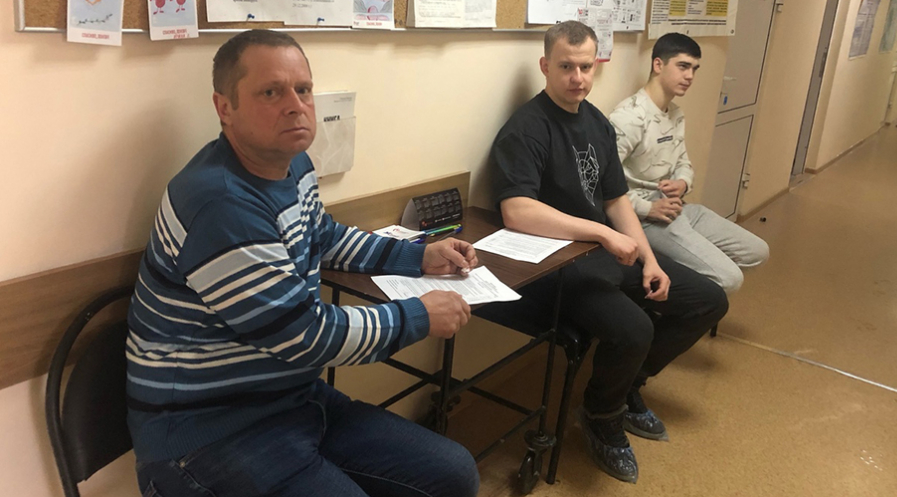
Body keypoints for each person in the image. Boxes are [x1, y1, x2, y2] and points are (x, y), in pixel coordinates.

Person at [126, 29, 480, 497]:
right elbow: (304, 335)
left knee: (453, 473)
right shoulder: (220, 203)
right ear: (224, 108)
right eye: (271, 92)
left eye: (303, 89)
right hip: (207, 436)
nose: (296, 105)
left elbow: (323, 237)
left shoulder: (293, 164)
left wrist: (418, 256)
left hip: (291, 400)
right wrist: (418, 316)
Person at [490, 21, 728, 483]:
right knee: (635, 329)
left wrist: (649, 259)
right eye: (566, 67)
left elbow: (617, 200)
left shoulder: (596, 122)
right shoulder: (526, 128)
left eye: (586, 67)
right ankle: (602, 416)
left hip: (603, 253)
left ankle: (626, 387)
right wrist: (601, 235)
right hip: (555, 266)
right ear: (545, 66)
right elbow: (516, 211)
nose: (577, 78)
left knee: (706, 299)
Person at [608, 33, 769, 294]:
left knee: (757, 251)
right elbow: (603, 184)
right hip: (644, 217)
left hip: (676, 207)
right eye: (683, 66)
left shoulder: (675, 114)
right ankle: (667, 296)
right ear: (658, 65)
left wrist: (682, 183)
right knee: (729, 279)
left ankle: (688, 277)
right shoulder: (629, 117)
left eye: (694, 69)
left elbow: (684, 162)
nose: (690, 76)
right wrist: (648, 208)